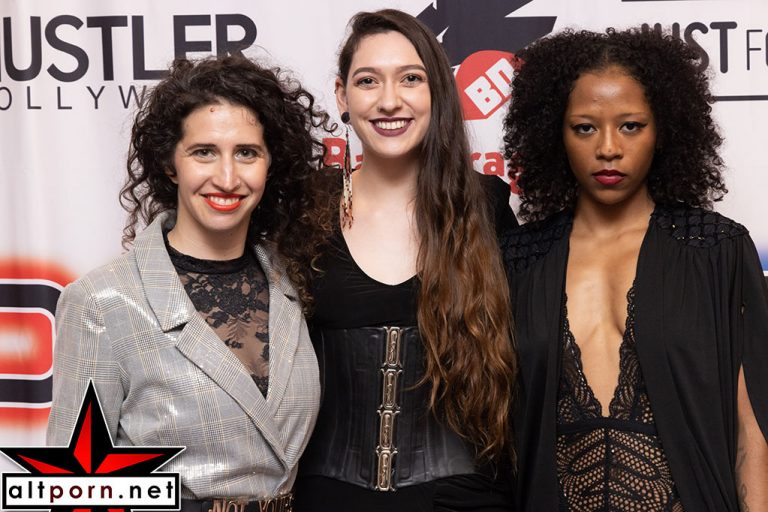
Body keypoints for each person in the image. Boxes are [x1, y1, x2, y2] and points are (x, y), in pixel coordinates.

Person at [47, 54, 334, 510]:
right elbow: (71, 488)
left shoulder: (296, 282)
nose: (227, 177)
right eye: (204, 152)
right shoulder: (101, 301)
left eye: (247, 153)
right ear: (170, 163)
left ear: (270, 164)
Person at [501, 28, 768, 511]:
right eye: (585, 127)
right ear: (555, 134)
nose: (608, 148)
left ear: (662, 131)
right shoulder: (519, 259)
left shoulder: (716, 250)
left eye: (630, 126)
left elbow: (752, 434)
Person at [292, 9, 518, 512]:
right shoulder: (304, 209)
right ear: (341, 96)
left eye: (411, 79)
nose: (389, 100)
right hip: (326, 498)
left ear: (437, 91)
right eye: (368, 81)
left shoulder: (487, 205)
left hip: (465, 501)